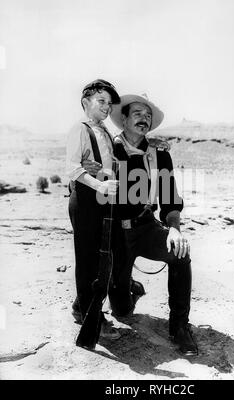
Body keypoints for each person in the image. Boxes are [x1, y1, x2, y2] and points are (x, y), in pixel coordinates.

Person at [109, 95, 198, 356]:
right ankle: (128, 289)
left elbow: (170, 199)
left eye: (147, 115)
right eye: (137, 113)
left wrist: (174, 229)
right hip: (114, 234)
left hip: (146, 227)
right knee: (121, 311)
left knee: (180, 254)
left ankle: (180, 327)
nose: (143, 118)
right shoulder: (107, 150)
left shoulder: (159, 155)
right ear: (123, 119)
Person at [66, 79, 123, 340]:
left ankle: (82, 306)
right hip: (86, 199)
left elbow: (114, 158)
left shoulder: (105, 131)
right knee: (88, 260)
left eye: (109, 104)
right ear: (85, 102)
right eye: (101, 101)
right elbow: (73, 168)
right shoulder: (79, 129)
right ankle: (93, 318)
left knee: (102, 256)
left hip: (102, 199)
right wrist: (98, 185)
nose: (106, 108)